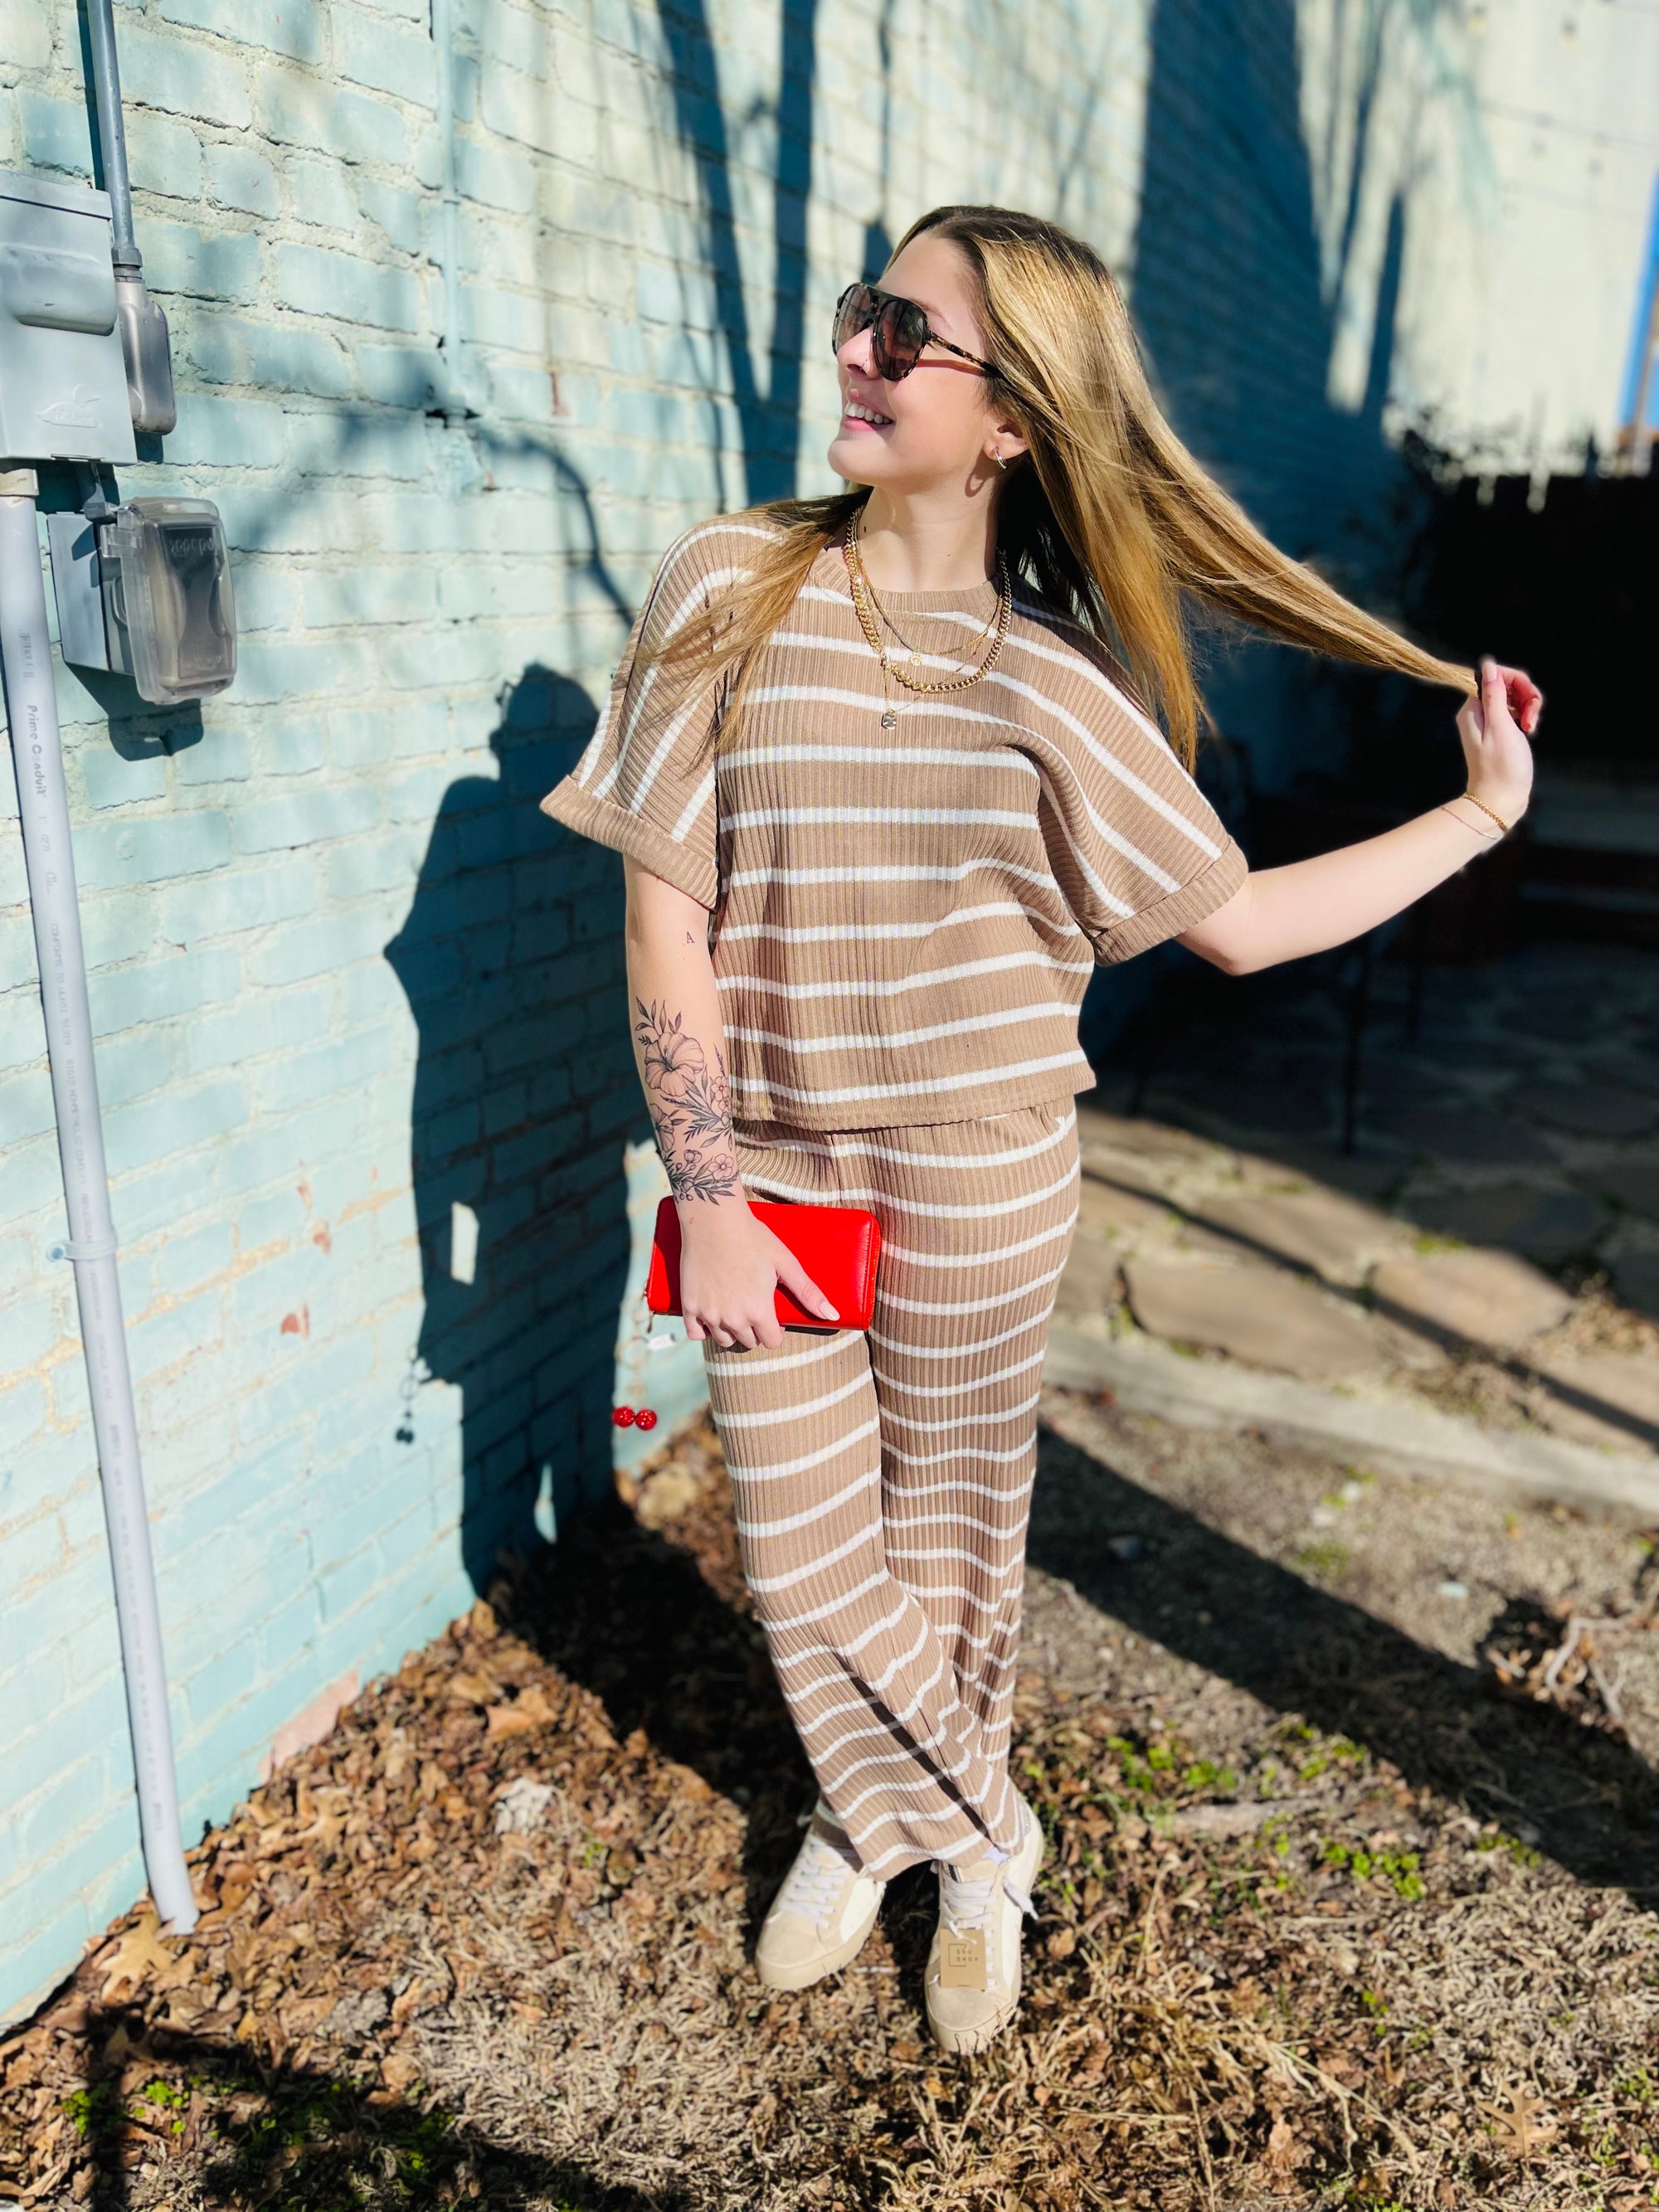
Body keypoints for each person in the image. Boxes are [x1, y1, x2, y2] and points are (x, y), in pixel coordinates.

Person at [541, 203, 1540, 2054]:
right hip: (769, 1173)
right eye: (865, 314)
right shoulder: (727, 585)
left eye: (907, 334)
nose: (860, 352)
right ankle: (977, 1827)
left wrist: (1479, 818)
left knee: (951, 1543)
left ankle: (888, 1830)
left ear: (1011, 418)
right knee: (802, 1544)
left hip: (983, 1170)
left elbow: (1237, 922)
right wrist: (712, 1186)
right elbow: (661, 910)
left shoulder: (1053, 679)